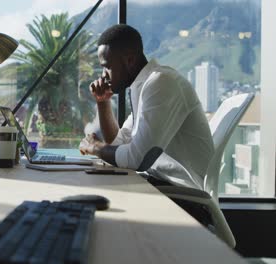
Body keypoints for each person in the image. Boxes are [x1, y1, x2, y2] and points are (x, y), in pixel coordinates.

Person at [79, 24, 214, 189]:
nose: (103, 75)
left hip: (181, 194)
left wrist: (94, 147)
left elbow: (137, 159)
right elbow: (117, 144)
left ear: (129, 59)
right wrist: (102, 101)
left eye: (107, 66)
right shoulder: (144, 87)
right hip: (159, 185)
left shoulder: (162, 82)